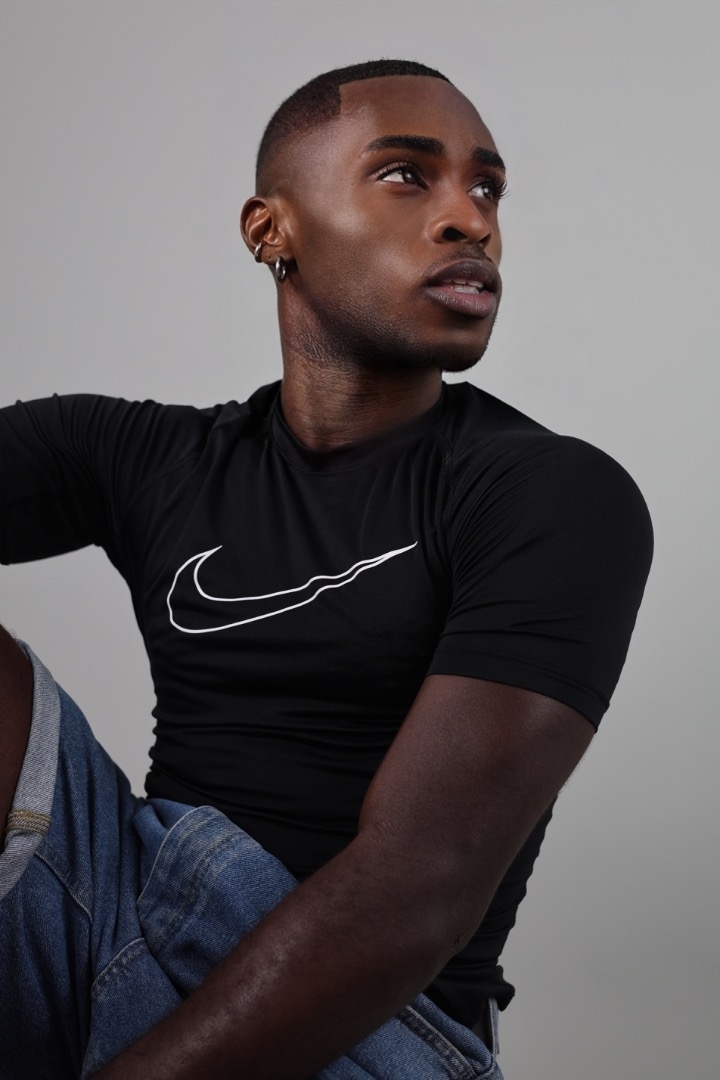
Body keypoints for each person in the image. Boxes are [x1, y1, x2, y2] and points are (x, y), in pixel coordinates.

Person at [0, 59, 653, 1079]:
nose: (471, 220)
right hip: (122, 916)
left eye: (487, 187)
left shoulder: (551, 494)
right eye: (406, 175)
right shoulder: (144, 458)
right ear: (272, 231)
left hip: (374, 1025)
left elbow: (417, 893)